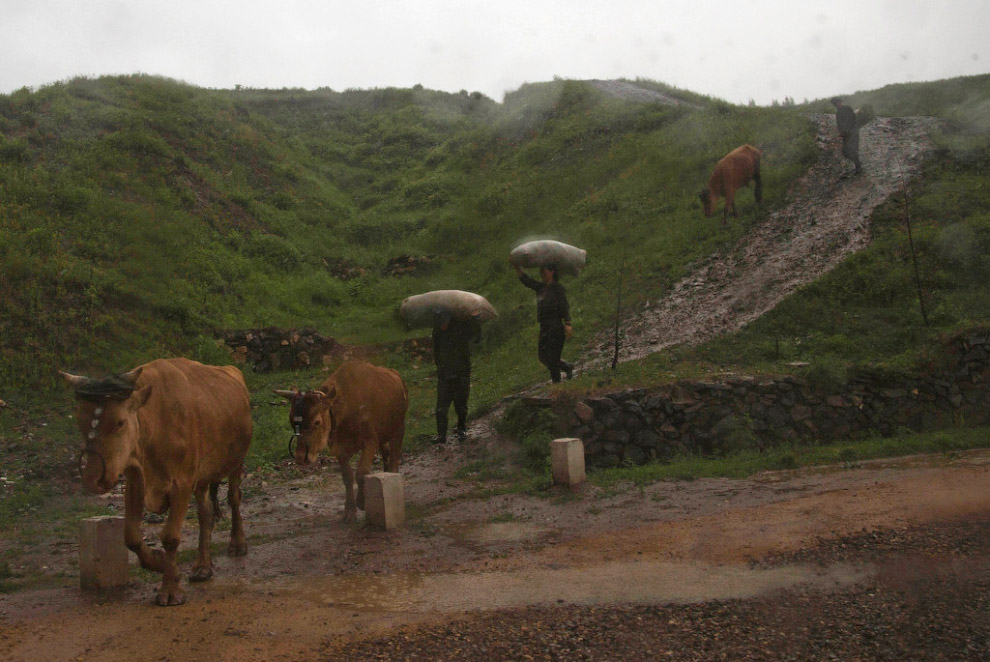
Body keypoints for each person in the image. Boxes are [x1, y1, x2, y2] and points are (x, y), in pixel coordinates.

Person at [515, 263, 574, 383]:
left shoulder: (558, 288)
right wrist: (517, 268)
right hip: (544, 327)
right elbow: (527, 281)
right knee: (542, 356)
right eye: (541, 271)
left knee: (553, 356)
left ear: (552, 272)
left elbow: (564, 306)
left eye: (544, 270)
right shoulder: (541, 288)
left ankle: (556, 384)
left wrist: (568, 323)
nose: (541, 273)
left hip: (556, 326)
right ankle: (566, 366)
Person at [431, 309, 481, 442]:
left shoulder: (461, 328)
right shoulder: (437, 331)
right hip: (445, 374)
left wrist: (474, 320)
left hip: (461, 372)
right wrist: (440, 367)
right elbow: (436, 350)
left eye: (444, 322)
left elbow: (476, 337)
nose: (442, 325)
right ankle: (441, 435)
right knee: (441, 408)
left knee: (461, 405)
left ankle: (461, 429)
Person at [831, 97, 862, 176]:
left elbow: (852, 120)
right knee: (845, 152)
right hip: (846, 135)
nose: (837, 104)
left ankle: (858, 167)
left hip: (853, 132)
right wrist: (842, 132)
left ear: (840, 102)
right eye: (835, 104)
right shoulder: (838, 113)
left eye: (838, 102)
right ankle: (858, 164)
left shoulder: (848, 108)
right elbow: (839, 125)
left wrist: (848, 130)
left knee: (852, 150)